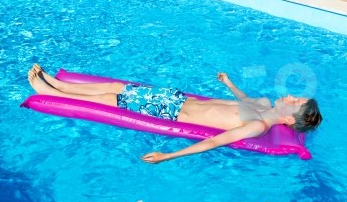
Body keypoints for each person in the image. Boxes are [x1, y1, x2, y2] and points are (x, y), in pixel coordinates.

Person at [27, 64, 322, 163]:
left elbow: (213, 142)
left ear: (287, 119)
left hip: (170, 111)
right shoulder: (262, 103)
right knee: (119, 85)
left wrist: (168, 156)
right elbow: (242, 99)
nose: (291, 95)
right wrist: (229, 82)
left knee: (111, 97)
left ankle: (51, 93)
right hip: (175, 97)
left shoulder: (257, 125)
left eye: (295, 101)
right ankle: (56, 81)